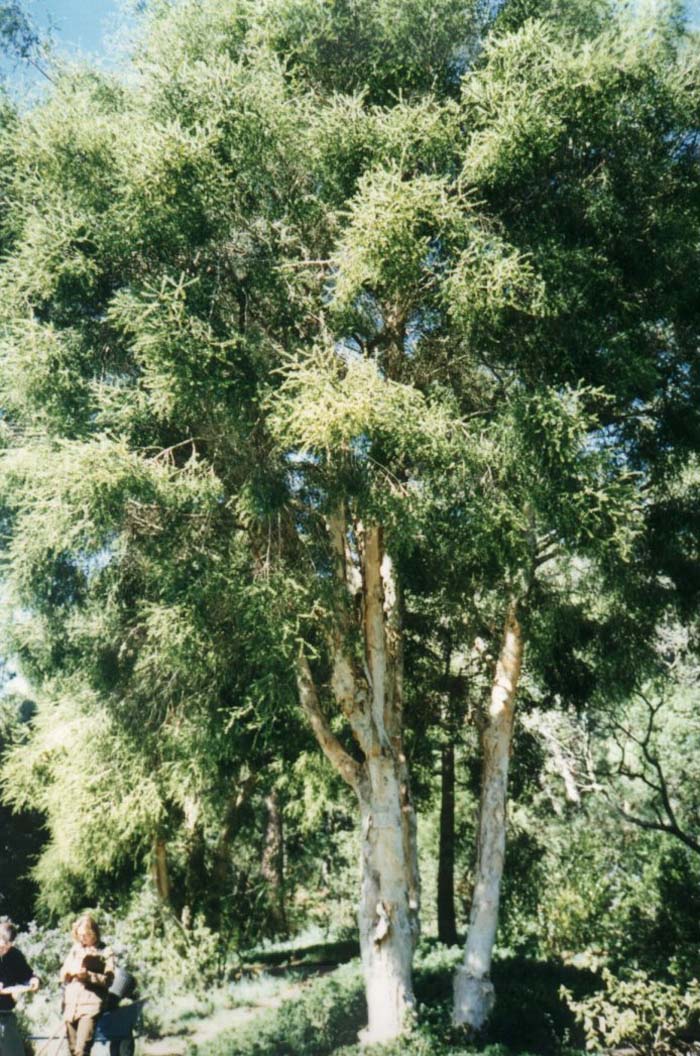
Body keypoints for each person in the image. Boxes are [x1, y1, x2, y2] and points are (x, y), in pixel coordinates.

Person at [60, 915, 115, 1056]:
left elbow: (109, 980)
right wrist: (71, 972)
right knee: (73, 1051)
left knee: (82, 1051)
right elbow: (62, 974)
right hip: (71, 1005)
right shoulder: (75, 950)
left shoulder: (106, 952)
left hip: (91, 1005)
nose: (82, 938)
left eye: (86, 935)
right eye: (79, 935)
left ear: (94, 933)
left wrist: (89, 976)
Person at [0, 919, 40, 1056]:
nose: (4, 951)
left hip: (5, 1016)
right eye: (1, 947)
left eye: (7, 947)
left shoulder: (14, 955)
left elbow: (27, 974)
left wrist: (34, 980)